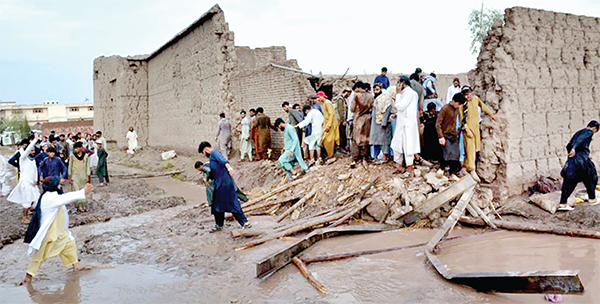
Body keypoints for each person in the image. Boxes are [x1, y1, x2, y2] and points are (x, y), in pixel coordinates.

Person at [21, 178, 93, 285]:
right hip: (50, 233)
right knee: (39, 256)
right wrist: (83, 192)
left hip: (59, 231)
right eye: (59, 184)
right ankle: (28, 276)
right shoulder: (50, 198)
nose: (61, 186)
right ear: (54, 186)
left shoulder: (48, 196)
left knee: (70, 245)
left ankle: (76, 266)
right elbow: (66, 198)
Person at [198, 142, 249, 231]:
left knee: (231, 202)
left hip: (224, 184)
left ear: (206, 149)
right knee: (217, 205)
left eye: (203, 152)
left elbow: (223, 160)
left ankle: (244, 222)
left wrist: (229, 168)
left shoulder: (214, 152)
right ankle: (219, 225)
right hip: (220, 184)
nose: (204, 155)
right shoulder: (212, 158)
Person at [558, 121, 600, 210]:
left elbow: (568, 145)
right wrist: (574, 148)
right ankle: (592, 199)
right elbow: (581, 139)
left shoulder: (578, 132)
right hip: (582, 161)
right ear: (595, 129)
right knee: (592, 177)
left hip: (573, 162)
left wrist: (572, 151)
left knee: (569, 182)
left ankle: (563, 203)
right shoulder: (588, 131)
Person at [461, 87, 498, 182]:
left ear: (471, 93)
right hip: (468, 129)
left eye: (468, 94)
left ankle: (465, 167)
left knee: (476, 148)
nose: (467, 97)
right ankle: (472, 169)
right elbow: (462, 119)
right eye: (465, 95)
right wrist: (466, 129)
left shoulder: (476, 99)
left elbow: (483, 106)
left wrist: (491, 114)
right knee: (470, 149)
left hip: (476, 128)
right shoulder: (463, 104)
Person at [7, 134, 40, 224]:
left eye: (34, 150)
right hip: (25, 183)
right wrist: (34, 140)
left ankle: (32, 211)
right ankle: (24, 217)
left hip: (33, 183)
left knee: (37, 199)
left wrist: (35, 181)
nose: (33, 152)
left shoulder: (33, 160)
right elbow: (28, 149)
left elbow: (35, 171)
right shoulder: (23, 158)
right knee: (27, 201)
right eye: (31, 150)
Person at [391, 76, 420, 173]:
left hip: (407, 125)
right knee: (397, 144)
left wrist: (397, 96)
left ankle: (410, 167)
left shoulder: (409, 93)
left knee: (408, 146)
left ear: (404, 83)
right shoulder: (408, 93)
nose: (397, 85)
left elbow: (400, 106)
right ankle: (399, 165)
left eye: (398, 83)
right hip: (403, 123)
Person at [436, 93, 467, 178]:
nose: (459, 106)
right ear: (454, 101)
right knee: (446, 154)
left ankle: (452, 173)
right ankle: (442, 170)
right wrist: (441, 136)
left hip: (453, 135)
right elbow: (438, 124)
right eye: (459, 104)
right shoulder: (445, 109)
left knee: (454, 155)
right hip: (445, 135)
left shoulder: (456, 110)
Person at [369, 84, 396, 163]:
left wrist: (384, 122)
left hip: (383, 123)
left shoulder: (385, 98)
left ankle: (385, 156)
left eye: (377, 89)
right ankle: (376, 156)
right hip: (376, 123)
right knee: (377, 140)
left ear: (381, 89)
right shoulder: (376, 98)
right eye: (374, 90)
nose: (375, 91)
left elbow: (388, 108)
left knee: (384, 141)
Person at [350, 81, 373, 167]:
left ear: (358, 87)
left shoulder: (356, 96)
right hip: (367, 119)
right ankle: (364, 158)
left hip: (358, 119)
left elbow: (352, 109)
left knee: (356, 139)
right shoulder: (371, 96)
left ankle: (354, 159)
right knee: (365, 139)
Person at [68, 142, 91, 212]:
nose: (76, 150)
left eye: (77, 148)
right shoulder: (72, 156)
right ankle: (78, 205)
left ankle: (83, 204)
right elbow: (70, 166)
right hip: (75, 175)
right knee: (76, 190)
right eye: (75, 148)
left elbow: (87, 166)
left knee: (83, 190)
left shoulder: (85, 156)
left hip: (83, 175)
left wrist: (88, 175)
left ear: (81, 148)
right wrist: (69, 176)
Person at [317, 91, 340, 159]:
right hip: (327, 123)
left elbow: (331, 114)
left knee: (328, 140)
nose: (318, 99)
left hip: (331, 124)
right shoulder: (324, 104)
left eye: (318, 97)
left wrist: (329, 125)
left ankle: (331, 155)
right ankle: (330, 155)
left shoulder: (327, 103)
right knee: (325, 140)